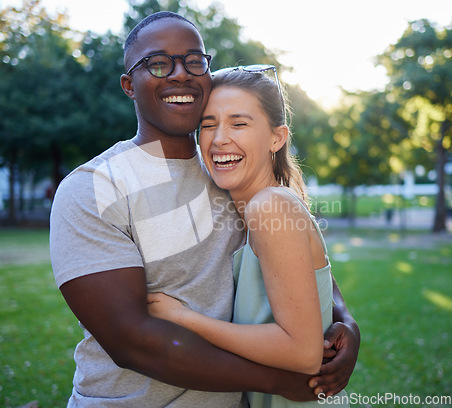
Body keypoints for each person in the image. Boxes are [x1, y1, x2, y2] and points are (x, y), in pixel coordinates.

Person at [49, 11, 359, 407]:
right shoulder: (93, 187)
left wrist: (344, 322)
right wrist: (275, 379)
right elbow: (132, 342)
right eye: (158, 63)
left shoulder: (229, 167)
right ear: (129, 84)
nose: (179, 74)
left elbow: (295, 256)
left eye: (194, 60)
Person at [147, 66, 351, 407]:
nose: (219, 138)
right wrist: (347, 318)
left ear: (277, 137)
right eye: (208, 124)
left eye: (239, 123)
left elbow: (303, 353)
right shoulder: (247, 206)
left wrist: (184, 319)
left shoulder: (269, 205)